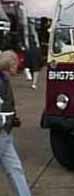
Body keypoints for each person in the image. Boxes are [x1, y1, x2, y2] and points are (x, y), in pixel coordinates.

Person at [0, 50, 32, 196]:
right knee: (15, 169)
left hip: (5, 132)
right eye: (17, 63)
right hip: (2, 132)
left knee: (15, 168)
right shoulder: (2, 80)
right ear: (10, 63)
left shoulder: (4, 78)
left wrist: (11, 119)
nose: (19, 66)